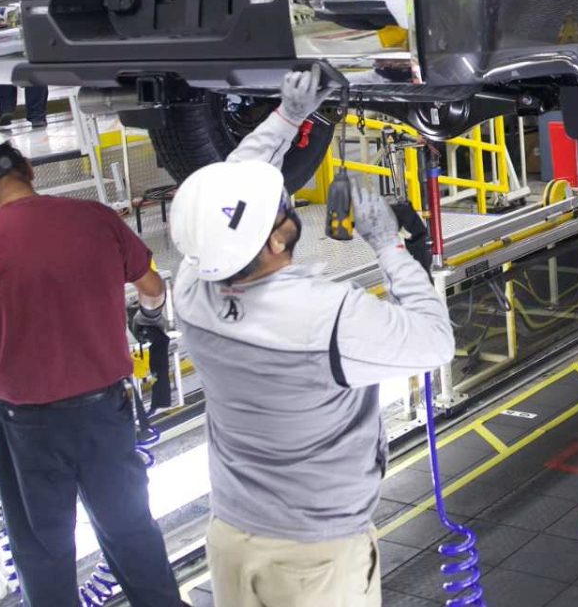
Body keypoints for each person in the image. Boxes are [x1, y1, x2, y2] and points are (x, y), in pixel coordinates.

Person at [170, 70, 454, 607]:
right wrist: (389, 245)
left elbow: (233, 184)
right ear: (280, 237)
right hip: (313, 559)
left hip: (232, 537)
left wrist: (288, 116)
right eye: (283, 207)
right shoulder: (328, 319)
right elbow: (435, 342)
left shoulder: (191, 288)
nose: (288, 202)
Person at [0, 126, 185, 607]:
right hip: (103, 413)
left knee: (43, 548)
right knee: (129, 529)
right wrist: (145, 317)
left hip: (29, 428)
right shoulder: (94, 218)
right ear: (27, 168)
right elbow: (152, 287)